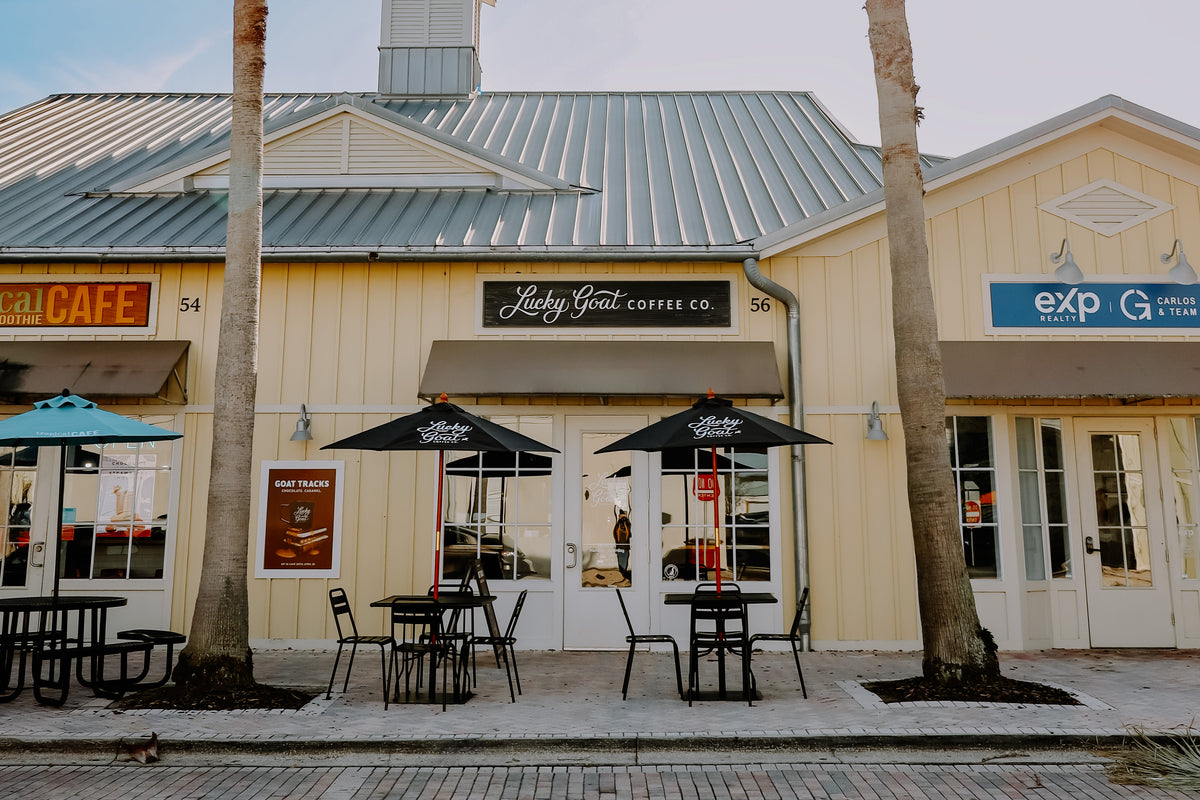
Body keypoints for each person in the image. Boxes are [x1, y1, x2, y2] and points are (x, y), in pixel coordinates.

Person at [612, 508, 632, 582]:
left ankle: (624, 579)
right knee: (621, 565)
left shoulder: (628, 524)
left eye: (624, 516)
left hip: (626, 548)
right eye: (621, 516)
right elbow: (615, 533)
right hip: (620, 548)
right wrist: (620, 521)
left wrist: (625, 521)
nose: (623, 518)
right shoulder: (618, 525)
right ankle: (622, 578)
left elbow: (629, 533)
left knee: (625, 564)